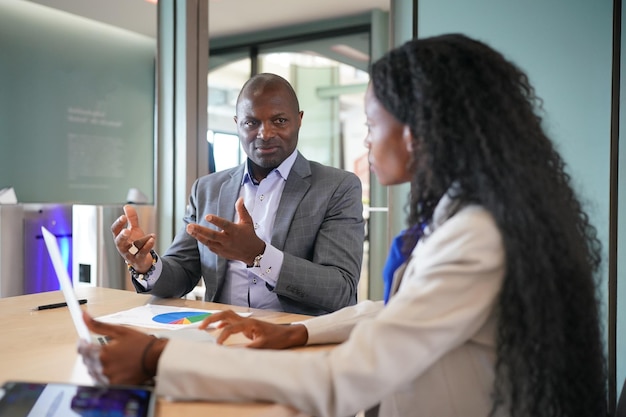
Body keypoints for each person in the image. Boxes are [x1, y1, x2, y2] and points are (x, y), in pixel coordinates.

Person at [80, 34, 607, 417]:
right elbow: (393, 312)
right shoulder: (470, 218)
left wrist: (158, 357)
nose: (366, 144)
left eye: (373, 124)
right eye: (250, 122)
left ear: (422, 131)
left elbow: (341, 378)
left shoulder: (474, 238)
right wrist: (297, 334)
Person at [112, 73, 365, 316]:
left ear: (298, 119)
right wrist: (147, 264)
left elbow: (340, 289)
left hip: (294, 338)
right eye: (251, 122)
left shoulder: (337, 187)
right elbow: (181, 273)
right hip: (223, 335)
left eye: (279, 121)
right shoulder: (207, 189)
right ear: (237, 124)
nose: (265, 133)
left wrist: (258, 255)